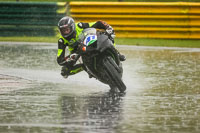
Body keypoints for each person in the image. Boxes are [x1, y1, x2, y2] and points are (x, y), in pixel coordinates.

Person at [57, 16, 126, 78]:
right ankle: (86, 68)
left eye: (67, 29)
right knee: (64, 71)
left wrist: (108, 27)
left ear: (72, 27)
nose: (65, 32)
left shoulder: (79, 25)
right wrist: (69, 58)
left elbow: (98, 23)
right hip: (77, 52)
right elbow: (60, 59)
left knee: (107, 35)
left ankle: (116, 53)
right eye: (63, 30)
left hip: (88, 41)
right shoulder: (61, 41)